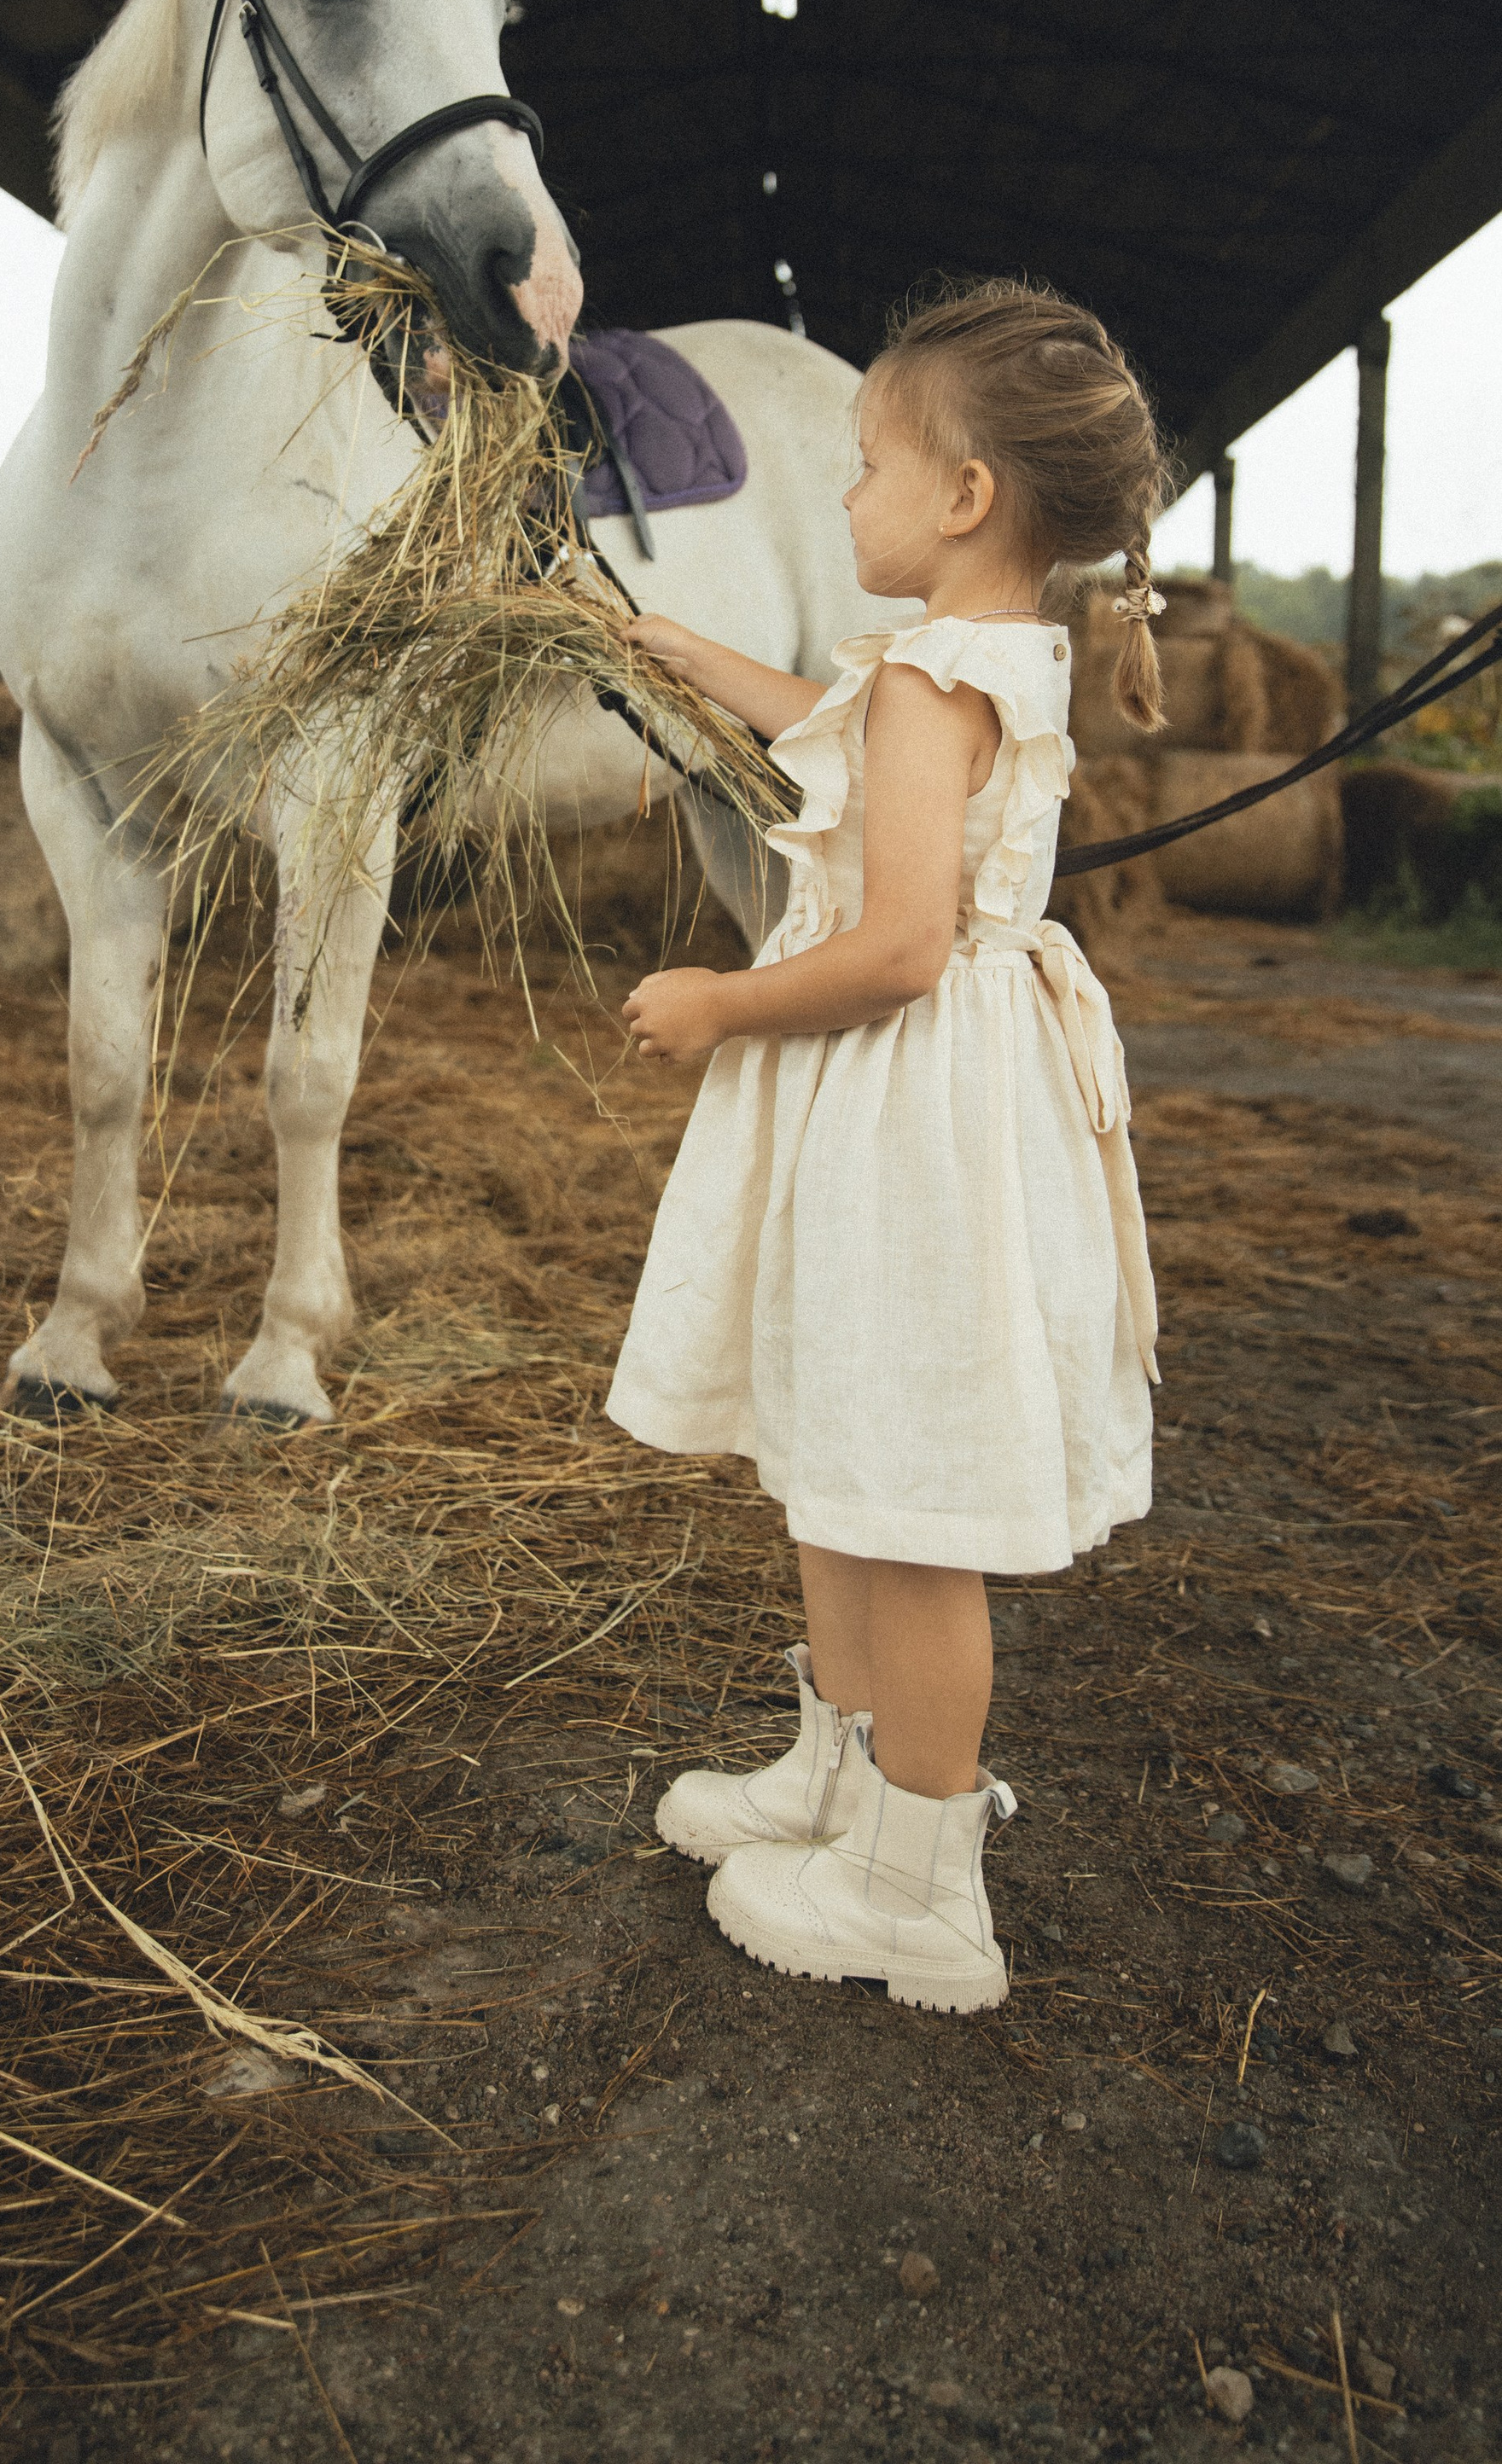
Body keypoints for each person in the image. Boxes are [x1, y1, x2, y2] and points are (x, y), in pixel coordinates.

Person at [606, 279, 1166, 2014]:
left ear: (966, 496)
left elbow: (904, 941)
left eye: (865, 463)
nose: (842, 493)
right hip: (924, 1105)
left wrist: (719, 999)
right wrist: (691, 655)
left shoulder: (931, 678)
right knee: (845, 1449)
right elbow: (842, 742)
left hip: (907, 1103)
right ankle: (838, 1774)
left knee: (905, 1495)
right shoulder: (973, 657)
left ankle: (920, 1881)